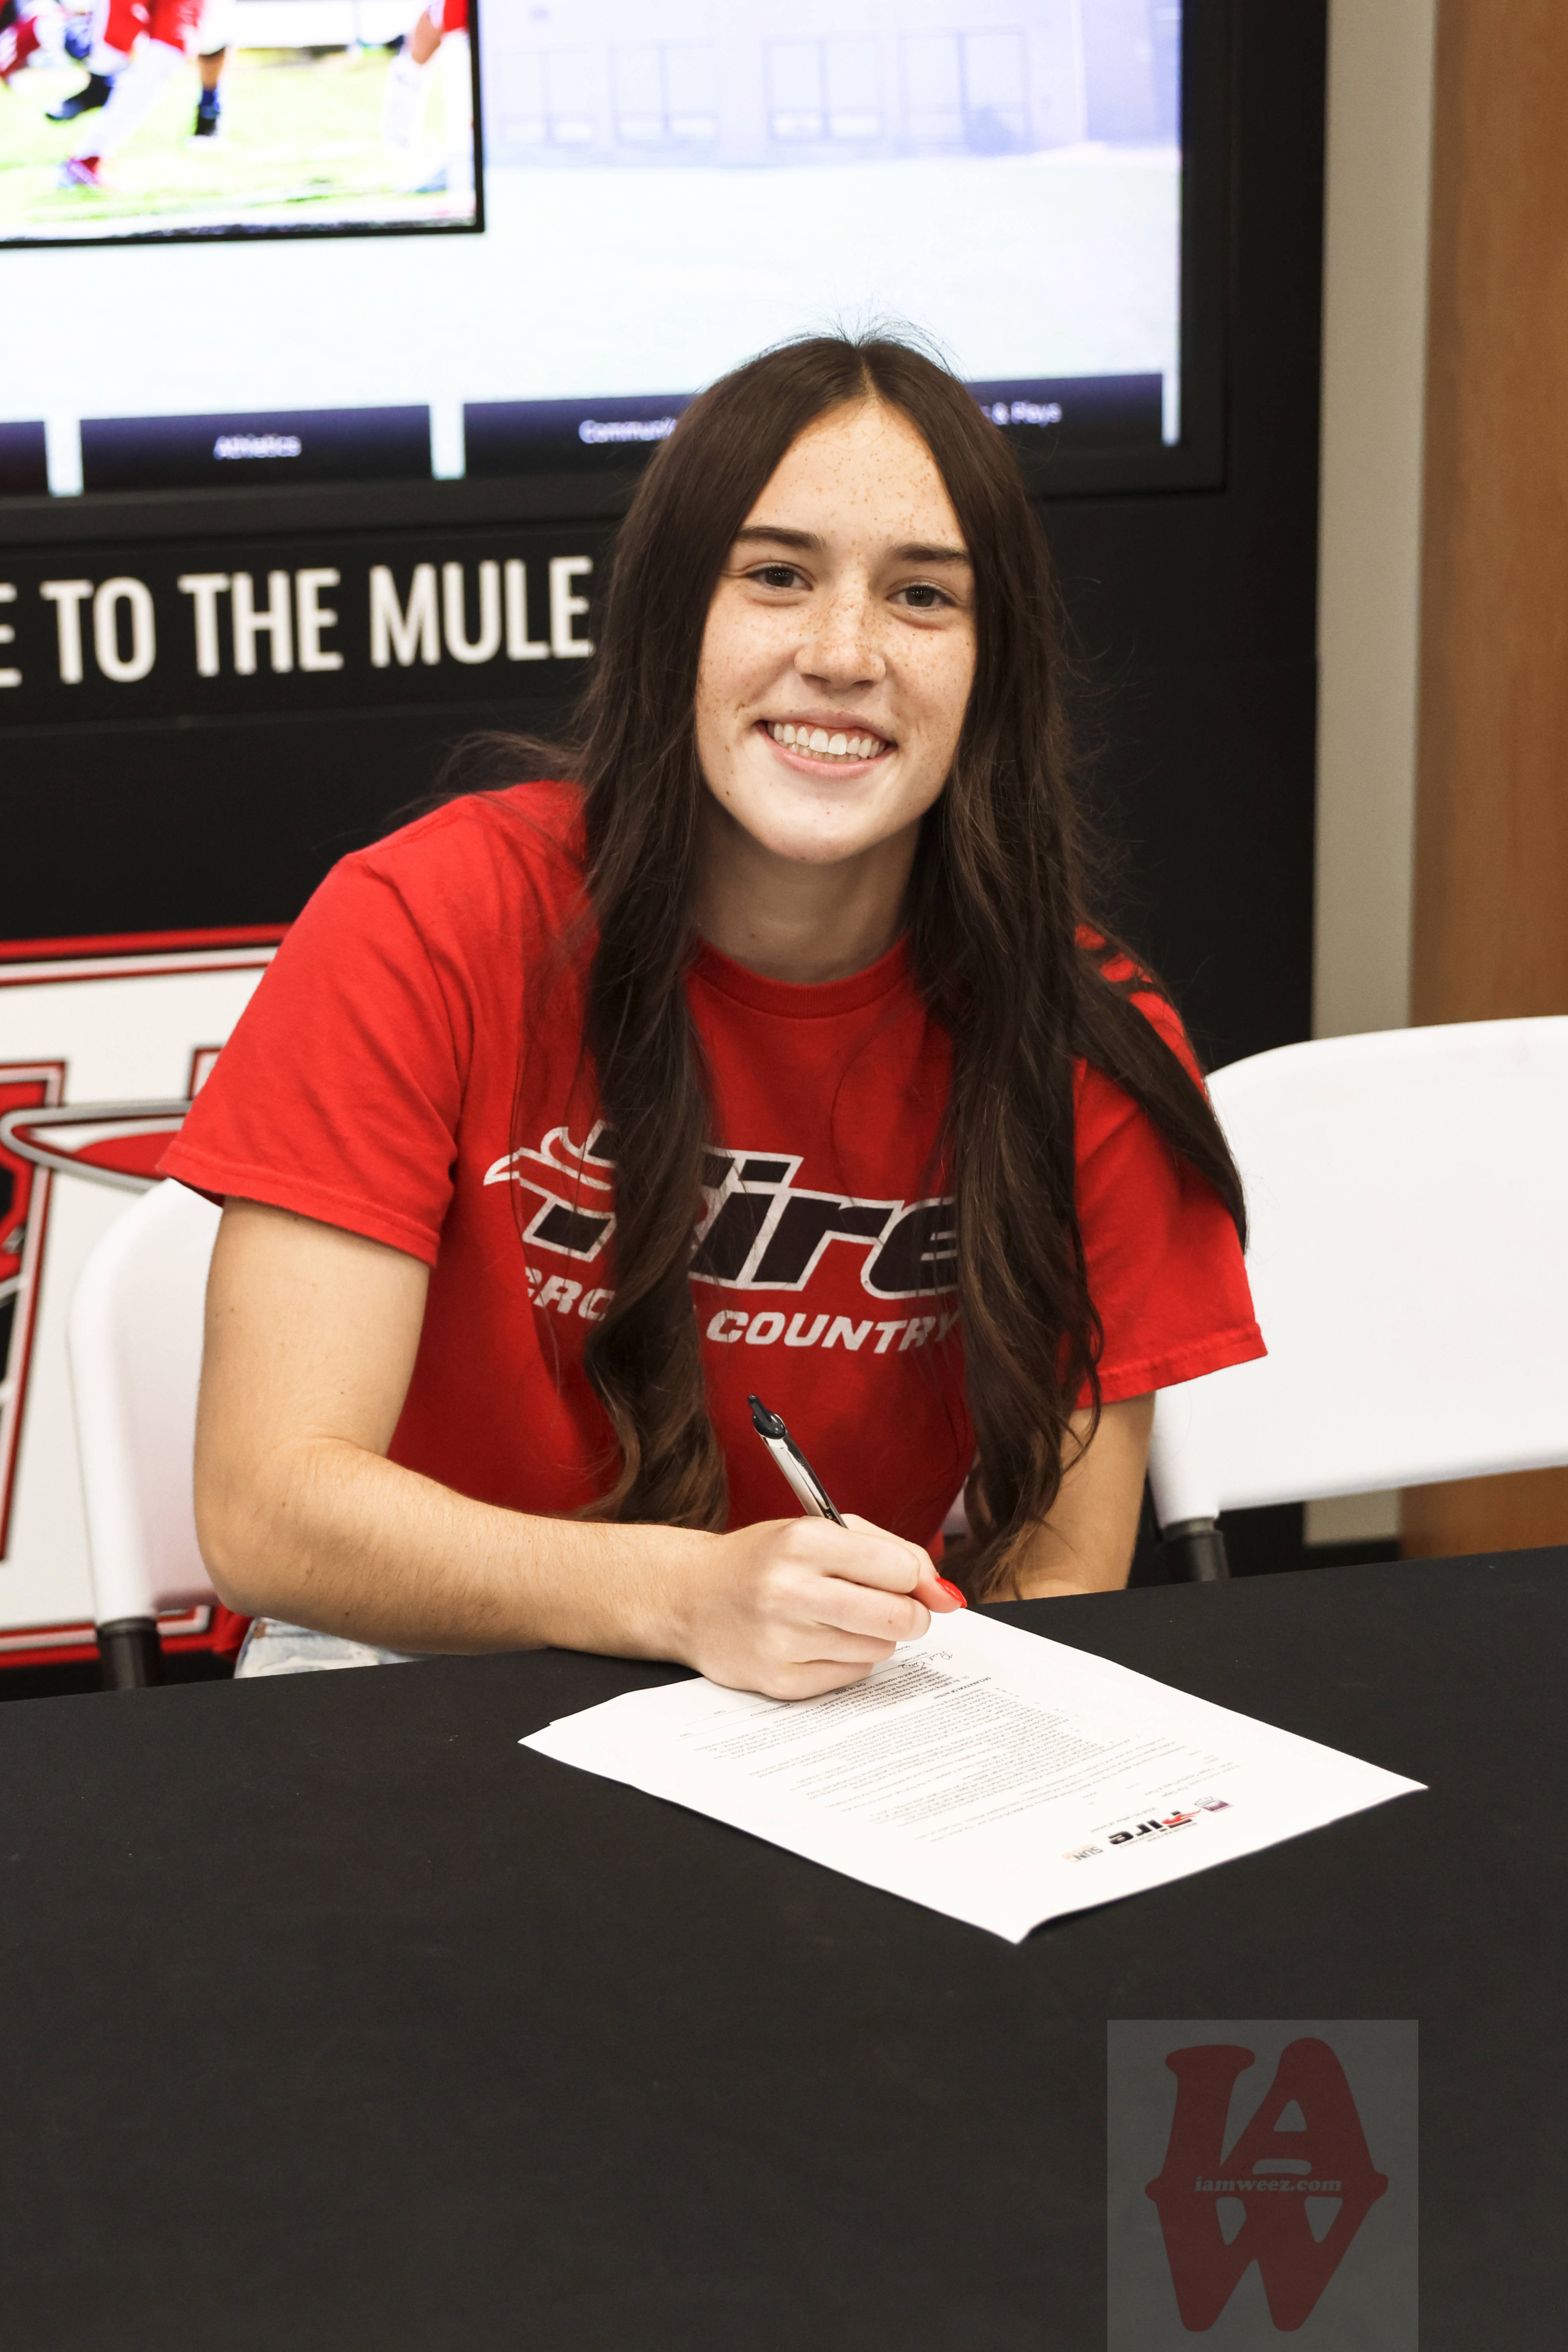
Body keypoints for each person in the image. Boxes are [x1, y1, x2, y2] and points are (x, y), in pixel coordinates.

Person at [166, 334, 1264, 1701]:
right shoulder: (425, 921)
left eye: (922, 596)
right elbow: (267, 1510)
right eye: (776, 576)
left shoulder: (1087, 1037)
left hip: (828, 1694)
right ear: (670, 617)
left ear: (996, 668)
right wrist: (684, 1596)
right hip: (418, 1661)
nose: (843, 653)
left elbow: (1057, 1581)